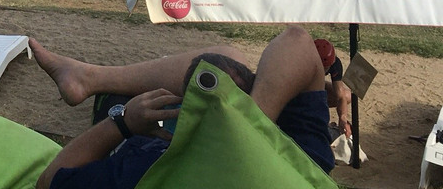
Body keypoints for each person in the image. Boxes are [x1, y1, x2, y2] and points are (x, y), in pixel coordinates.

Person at [32, 25, 334, 189]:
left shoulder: (141, 169)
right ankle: (88, 78)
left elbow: (48, 181)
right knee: (226, 55)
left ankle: (89, 79)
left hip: (135, 131)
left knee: (222, 56)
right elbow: (296, 40)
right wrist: (249, 124)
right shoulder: (298, 162)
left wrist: (122, 123)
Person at [314, 38, 353, 138]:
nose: (324, 71)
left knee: (347, 96)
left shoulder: (335, 64)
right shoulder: (302, 63)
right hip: (297, 87)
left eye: (326, 68)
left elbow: (341, 97)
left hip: (315, 84)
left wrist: (342, 118)